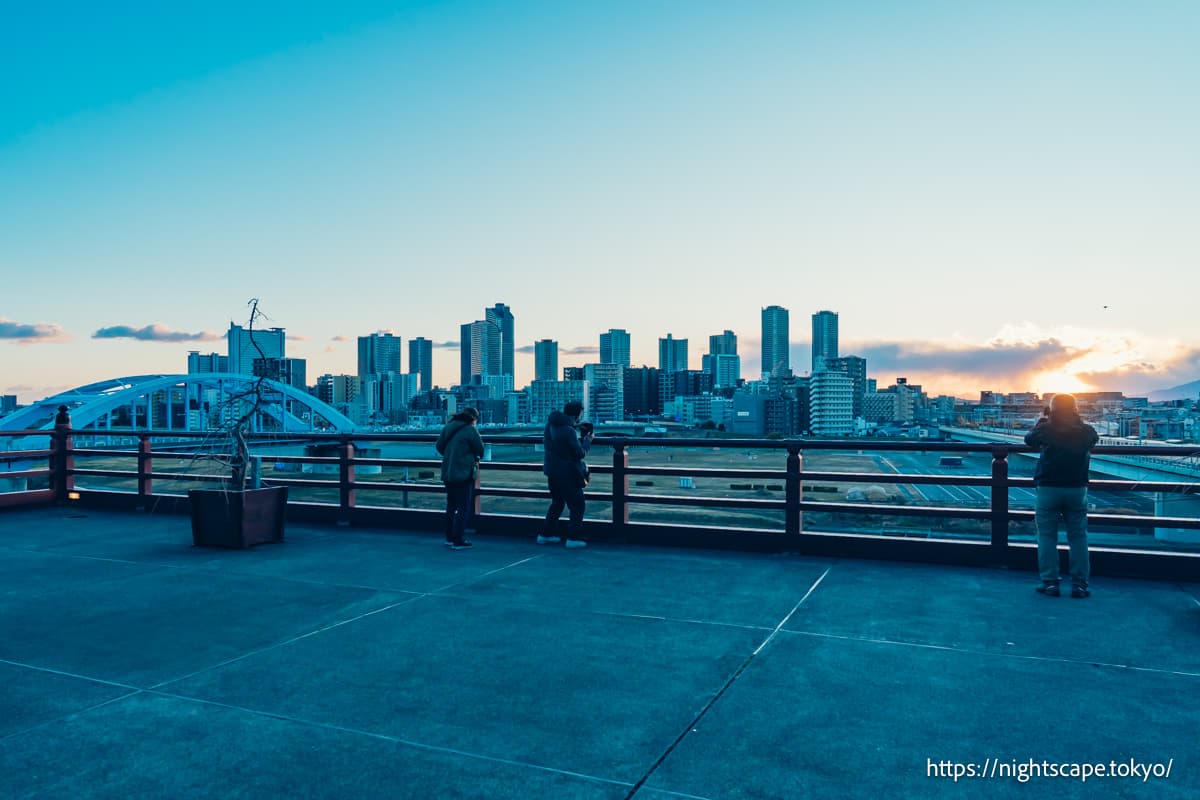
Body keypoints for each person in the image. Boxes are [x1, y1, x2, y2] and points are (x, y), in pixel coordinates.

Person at [1024, 393, 1099, 598]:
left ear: (1052, 409)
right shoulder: (1085, 430)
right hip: (1077, 489)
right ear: (1075, 409)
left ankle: (1050, 583)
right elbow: (1094, 439)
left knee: (1047, 536)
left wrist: (1042, 421)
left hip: (1048, 488)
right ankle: (1080, 585)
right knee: (1078, 536)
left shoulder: (1046, 428)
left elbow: (1029, 440)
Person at [539, 400, 593, 549]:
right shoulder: (568, 431)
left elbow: (561, 442)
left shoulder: (551, 424)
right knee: (577, 505)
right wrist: (587, 441)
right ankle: (573, 538)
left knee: (557, 503)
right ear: (577, 414)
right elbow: (579, 453)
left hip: (552, 470)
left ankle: (546, 534)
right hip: (567, 473)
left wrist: (576, 428)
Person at [436, 407, 484, 550]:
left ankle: (450, 537)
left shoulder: (448, 427)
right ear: (474, 418)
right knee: (463, 507)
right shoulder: (470, 430)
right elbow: (480, 450)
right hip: (463, 472)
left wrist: (451, 454)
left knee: (451, 506)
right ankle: (458, 540)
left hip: (448, 472)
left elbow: (439, 446)